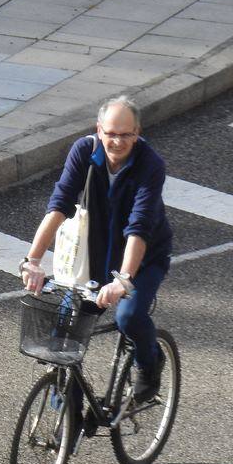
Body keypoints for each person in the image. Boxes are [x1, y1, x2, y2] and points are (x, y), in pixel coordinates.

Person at [20, 94, 173, 405]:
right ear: (99, 129)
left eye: (126, 135)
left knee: (129, 316)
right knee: (66, 326)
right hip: (94, 256)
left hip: (141, 260)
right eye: (111, 134)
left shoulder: (150, 165)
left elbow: (139, 227)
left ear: (138, 132)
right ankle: (69, 408)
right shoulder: (85, 151)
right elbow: (58, 206)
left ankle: (149, 362)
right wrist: (32, 260)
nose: (117, 142)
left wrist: (124, 279)